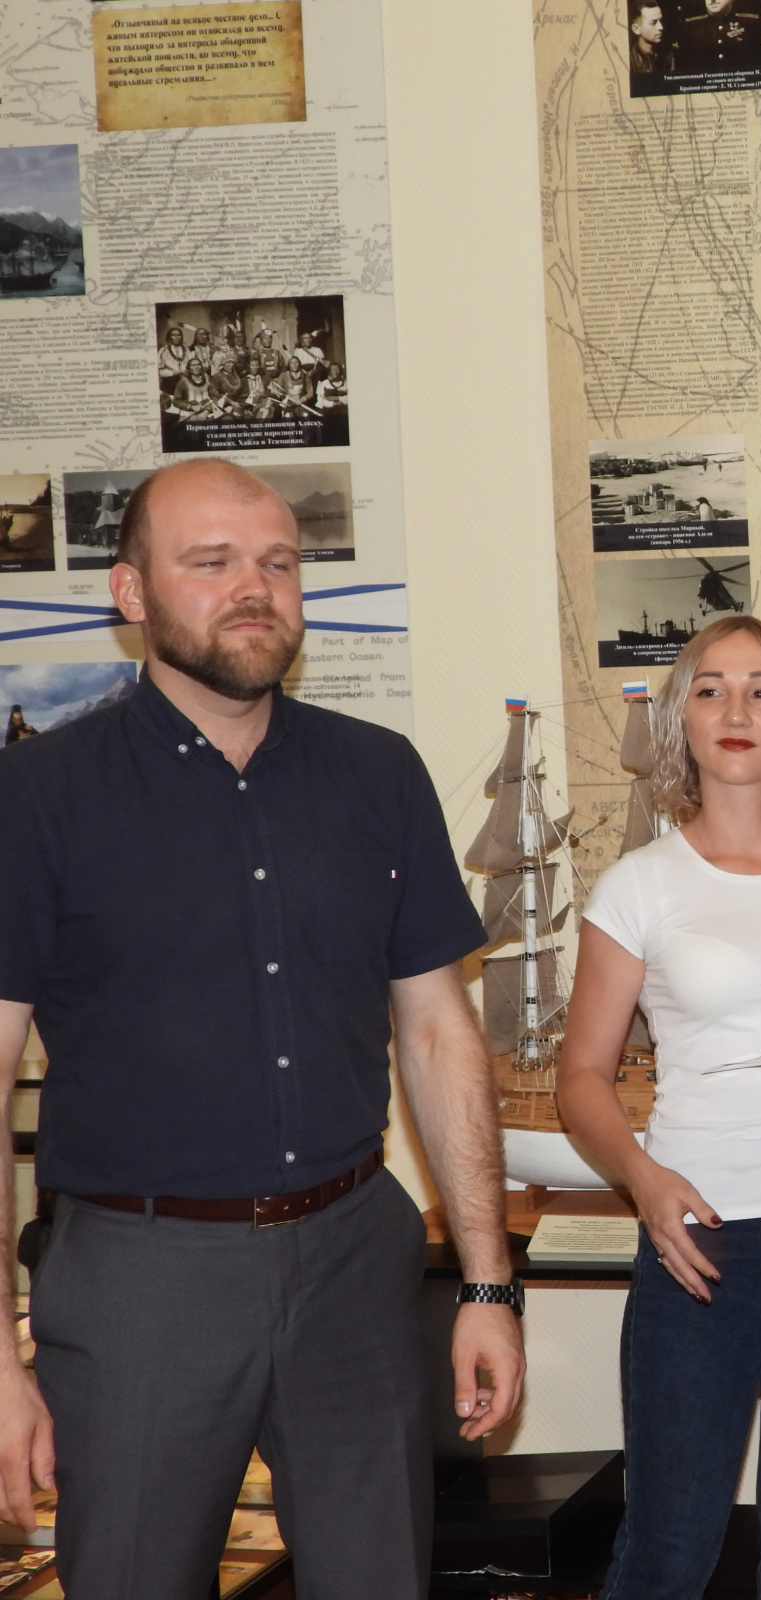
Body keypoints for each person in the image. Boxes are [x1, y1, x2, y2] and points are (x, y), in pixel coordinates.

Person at [0, 459, 525, 1600]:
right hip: (141, 1281)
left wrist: (488, 1285)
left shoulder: (377, 774)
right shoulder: (39, 796)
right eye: (213, 562)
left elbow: (439, 1034)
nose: (255, 588)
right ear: (131, 593)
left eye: (278, 563)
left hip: (353, 1264)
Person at [557, 615, 761, 1600]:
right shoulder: (638, 885)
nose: (737, 709)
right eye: (711, 688)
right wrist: (643, 1182)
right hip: (700, 1244)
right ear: (681, 719)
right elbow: (581, 1077)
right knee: (667, 1553)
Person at [627, 0, 674, 81]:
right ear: (636, 29)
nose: (661, 27)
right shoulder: (628, 60)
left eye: (660, 21)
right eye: (653, 23)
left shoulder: (670, 54)